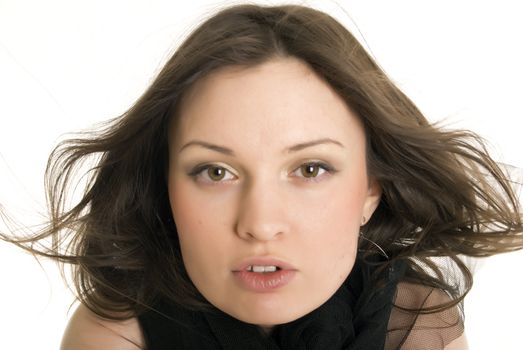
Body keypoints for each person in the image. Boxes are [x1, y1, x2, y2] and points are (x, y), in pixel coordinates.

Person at [1, 3, 522, 349]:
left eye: (310, 169)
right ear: (165, 187)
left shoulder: (414, 322)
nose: (260, 223)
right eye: (215, 171)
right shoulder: (116, 337)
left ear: (371, 189)